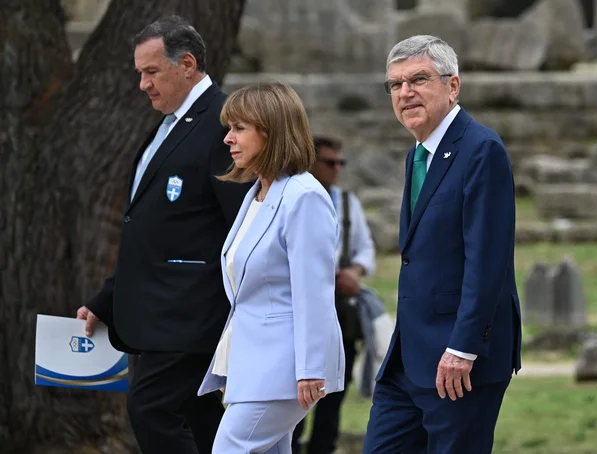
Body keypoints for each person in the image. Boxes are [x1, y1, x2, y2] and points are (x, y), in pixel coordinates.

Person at [75, 15, 250, 454]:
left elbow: (244, 226)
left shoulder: (223, 124)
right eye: (140, 73)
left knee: (151, 410)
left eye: (151, 72)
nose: (142, 84)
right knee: (201, 422)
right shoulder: (167, 125)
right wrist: (105, 302)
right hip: (156, 313)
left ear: (186, 64)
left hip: (190, 313)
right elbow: (151, 232)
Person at [362, 35, 522, 454]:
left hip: (458, 361)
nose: (404, 93)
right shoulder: (417, 154)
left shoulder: (481, 149)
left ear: (453, 87)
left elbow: (489, 259)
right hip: (408, 359)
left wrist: (464, 347)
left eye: (418, 79)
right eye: (394, 85)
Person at [197, 82, 346, 454]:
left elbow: (314, 291)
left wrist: (311, 368)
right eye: (228, 128)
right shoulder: (257, 195)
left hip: (285, 370)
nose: (228, 138)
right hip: (257, 367)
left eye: (239, 128)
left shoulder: (304, 196)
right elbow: (248, 296)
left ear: (272, 131)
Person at [291, 136, 375, 454]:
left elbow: (364, 249)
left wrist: (355, 271)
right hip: (302, 311)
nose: (337, 169)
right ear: (310, 162)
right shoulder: (293, 197)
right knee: (295, 397)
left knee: (334, 394)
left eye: (341, 163)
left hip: (339, 311)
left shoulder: (346, 202)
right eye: (330, 162)